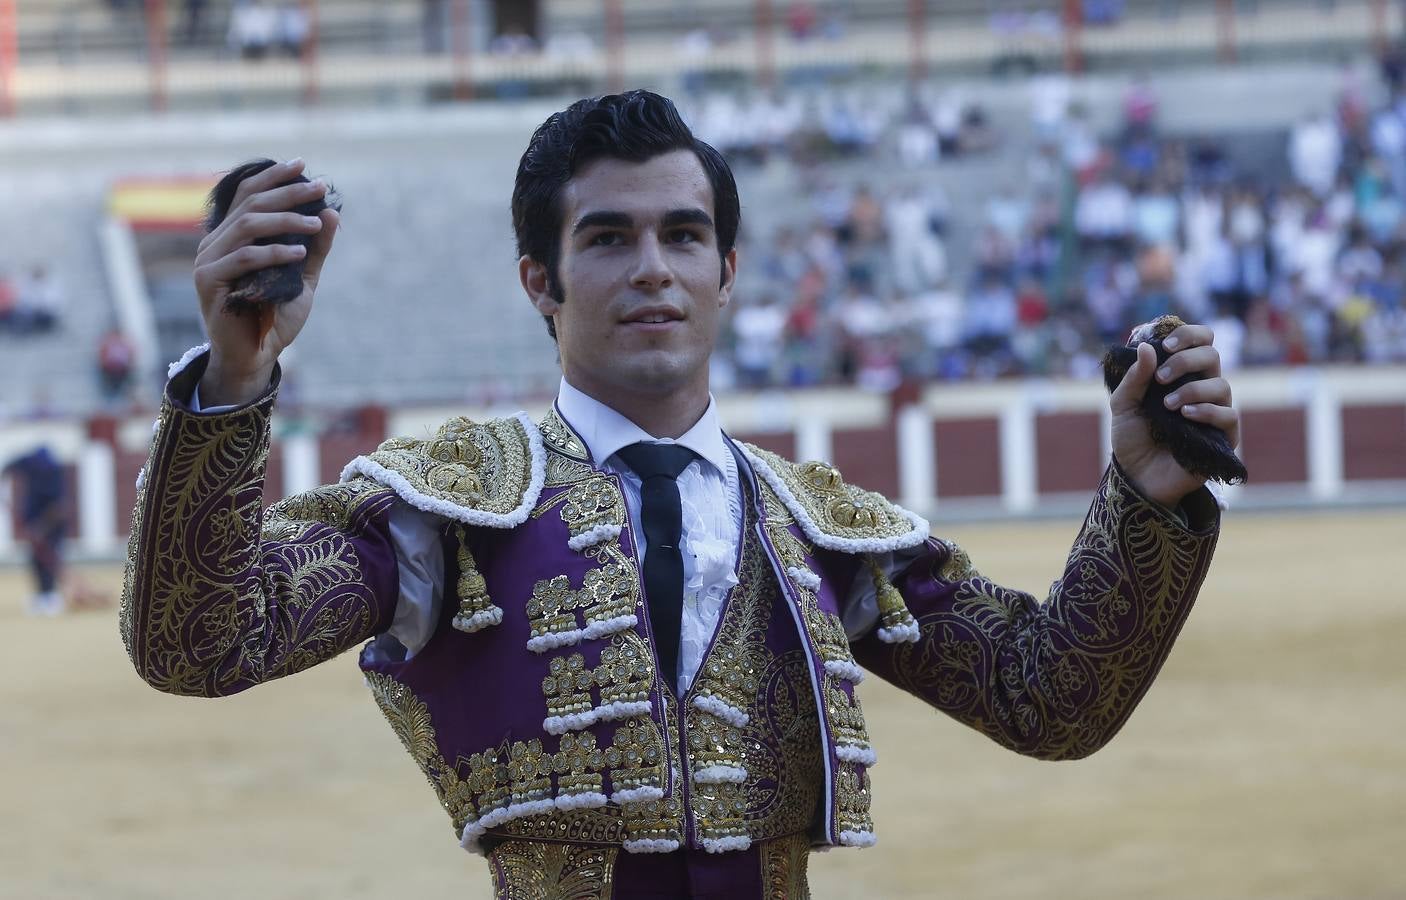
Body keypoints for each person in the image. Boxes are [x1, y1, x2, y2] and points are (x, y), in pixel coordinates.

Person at [122, 91, 1238, 898]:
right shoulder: (446, 507)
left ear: (726, 273)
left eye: (683, 235)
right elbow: (198, 641)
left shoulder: (816, 528)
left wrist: (1145, 496)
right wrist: (231, 385)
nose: (652, 267)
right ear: (541, 284)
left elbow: (1047, 698)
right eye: (607, 239)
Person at [3, 446, 69, 616]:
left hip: (53, 525)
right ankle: (41, 596)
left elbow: (58, 508)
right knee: (36, 560)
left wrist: (42, 527)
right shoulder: (29, 462)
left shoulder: (55, 475)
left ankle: (50, 596)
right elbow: (8, 466)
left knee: (49, 559)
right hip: (33, 521)